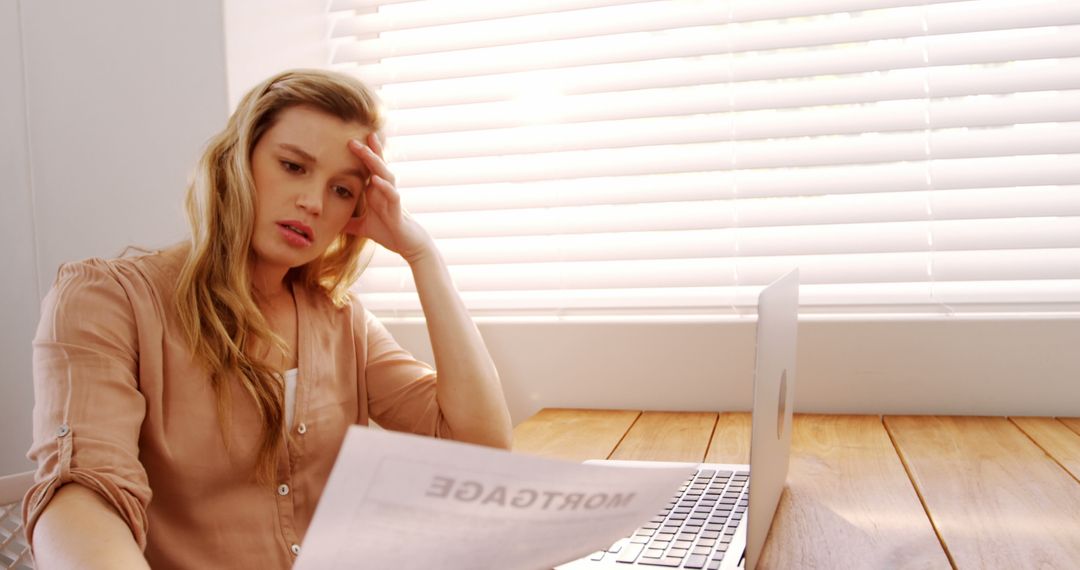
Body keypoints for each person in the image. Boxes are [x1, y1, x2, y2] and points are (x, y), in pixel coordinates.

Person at [22, 69, 513, 569]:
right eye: (293, 166)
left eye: (343, 191)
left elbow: (480, 446)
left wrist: (421, 254)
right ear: (238, 159)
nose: (314, 202)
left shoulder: (343, 321)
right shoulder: (107, 301)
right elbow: (81, 494)